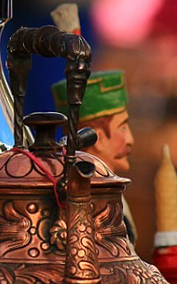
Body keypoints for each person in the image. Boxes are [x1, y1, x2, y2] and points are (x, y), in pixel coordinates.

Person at [51, 69, 137, 242]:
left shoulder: (113, 192)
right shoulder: (93, 202)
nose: (130, 140)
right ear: (95, 137)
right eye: (122, 128)